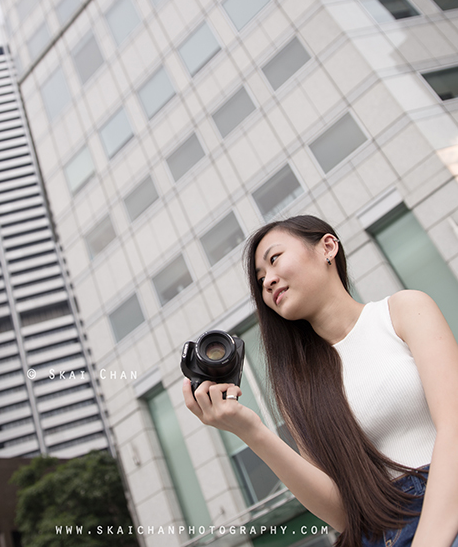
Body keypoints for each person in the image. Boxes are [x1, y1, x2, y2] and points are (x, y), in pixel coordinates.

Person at [183, 215, 458, 547]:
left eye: (274, 259)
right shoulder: (298, 388)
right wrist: (250, 431)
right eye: (259, 280)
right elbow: (343, 514)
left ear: (327, 247)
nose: (267, 281)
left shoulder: (402, 311)